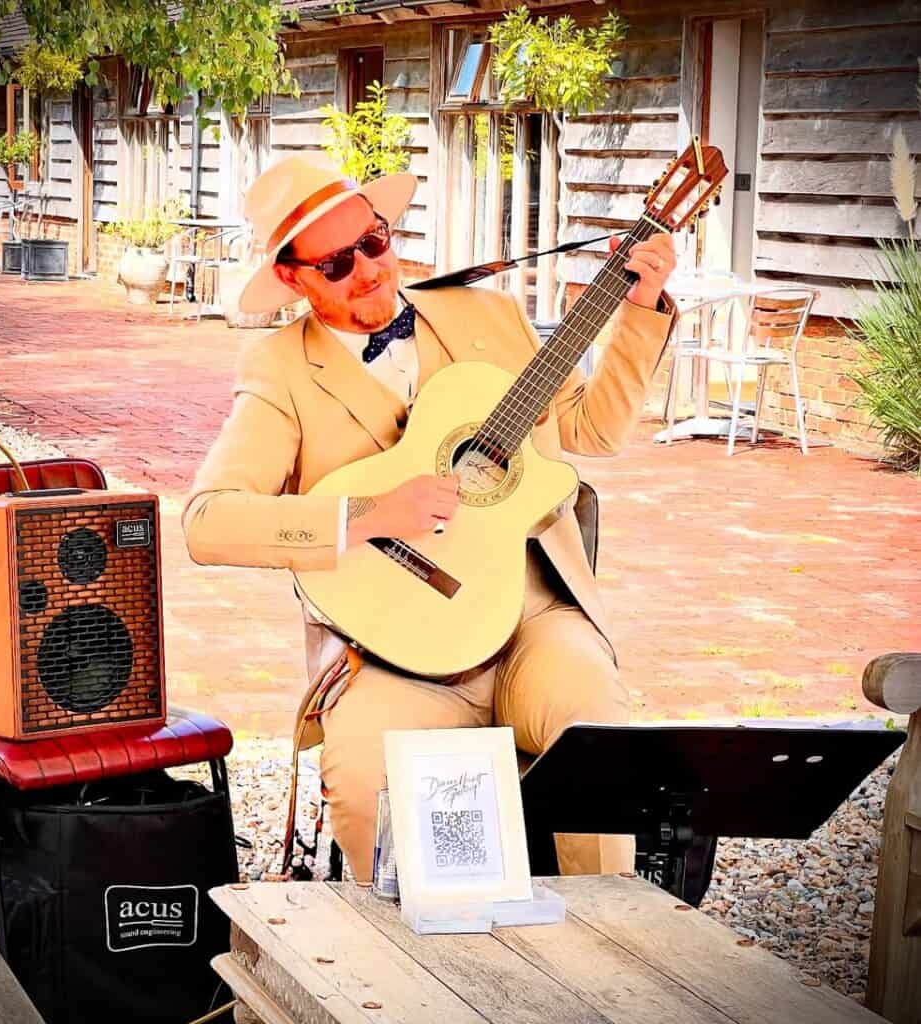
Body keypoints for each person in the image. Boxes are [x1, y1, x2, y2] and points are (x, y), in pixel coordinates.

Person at [183, 155, 677, 882]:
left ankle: (609, 928)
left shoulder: (488, 315)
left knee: (595, 728)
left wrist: (640, 308)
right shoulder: (279, 370)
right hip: (395, 651)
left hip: (531, 620)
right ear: (291, 279)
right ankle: (413, 948)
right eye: (336, 264)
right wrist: (365, 513)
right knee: (360, 780)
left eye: (373, 243)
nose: (368, 271)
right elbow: (207, 521)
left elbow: (592, 429)